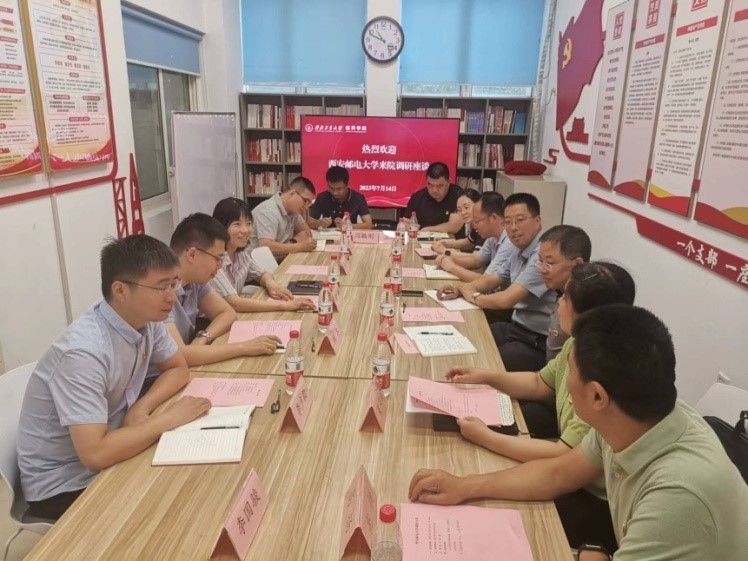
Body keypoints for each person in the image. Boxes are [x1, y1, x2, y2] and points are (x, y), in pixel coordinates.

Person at [409, 304, 748, 561]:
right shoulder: (630, 417)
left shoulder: (678, 496)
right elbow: (558, 473)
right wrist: (466, 486)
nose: (563, 380)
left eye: (570, 369)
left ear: (598, 396)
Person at [445, 261, 635, 552]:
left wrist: (487, 437)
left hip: (595, 499)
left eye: (565, 297)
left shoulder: (604, 380)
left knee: (513, 517)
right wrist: (486, 376)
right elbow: (538, 383)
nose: (558, 302)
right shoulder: (576, 346)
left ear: (587, 316)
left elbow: (561, 458)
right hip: (570, 470)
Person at [17, 235, 211, 520]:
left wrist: (140, 409)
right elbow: (95, 455)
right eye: (161, 287)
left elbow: (178, 369)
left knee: (196, 478)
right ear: (120, 290)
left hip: (111, 441)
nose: (172, 297)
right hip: (65, 483)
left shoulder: (146, 319)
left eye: (174, 284)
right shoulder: (83, 352)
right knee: (176, 502)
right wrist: (168, 419)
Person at [149, 213, 280, 383]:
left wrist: (202, 338)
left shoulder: (195, 280)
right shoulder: (161, 289)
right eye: (218, 258)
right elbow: (179, 354)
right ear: (192, 255)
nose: (220, 266)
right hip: (156, 380)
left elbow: (227, 313)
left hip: (180, 372)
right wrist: (244, 347)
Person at [437, 193, 555, 371]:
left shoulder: (542, 255)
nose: (513, 228)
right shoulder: (519, 247)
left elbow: (507, 299)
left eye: (520, 220)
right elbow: (492, 279)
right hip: (517, 326)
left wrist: (474, 297)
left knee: (483, 360)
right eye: (508, 222)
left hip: (536, 340)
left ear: (538, 221)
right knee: (466, 335)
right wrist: (461, 289)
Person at [211, 197, 315, 312]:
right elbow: (235, 303)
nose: (245, 230)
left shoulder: (240, 253)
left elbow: (261, 274)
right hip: (211, 320)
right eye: (237, 224)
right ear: (221, 227)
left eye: (248, 223)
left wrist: (271, 284)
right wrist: (285, 306)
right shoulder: (214, 259)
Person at [536, 225, 591, 361]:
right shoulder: (559, 291)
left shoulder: (583, 307)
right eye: (540, 261)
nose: (542, 269)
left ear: (577, 264)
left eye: (549, 263)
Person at [433, 192, 512, 283]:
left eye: (477, 222)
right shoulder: (492, 237)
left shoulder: (508, 242)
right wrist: (448, 259)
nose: (475, 226)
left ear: (493, 218)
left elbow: (486, 281)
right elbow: (475, 260)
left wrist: (452, 267)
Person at [249, 176, 317, 258]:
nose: (306, 207)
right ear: (292, 193)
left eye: (309, 203)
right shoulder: (268, 211)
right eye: (305, 201)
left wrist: (294, 242)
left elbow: (307, 233)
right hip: (260, 263)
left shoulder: (293, 211)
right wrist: (299, 245)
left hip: (280, 259)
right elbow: (266, 247)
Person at [307, 165, 373, 230]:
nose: (335, 193)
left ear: (347, 185)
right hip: (327, 235)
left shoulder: (358, 198)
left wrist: (348, 226)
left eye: (339, 189)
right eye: (331, 188)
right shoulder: (322, 197)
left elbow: (369, 224)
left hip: (349, 235)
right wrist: (319, 223)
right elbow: (309, 222)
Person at [403, 162, 463, 233]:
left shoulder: (459, 196)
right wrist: (406, 226)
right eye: (430, 185)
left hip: (452, 239)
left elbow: (454, 226)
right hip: (422, 238)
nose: (434, 190)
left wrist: (428, 230)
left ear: (448, 182)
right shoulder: (417, 198)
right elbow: (406, 222)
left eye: (440, 185)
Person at [432, 188, 483, 254]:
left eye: (466, 207)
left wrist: (445, 251)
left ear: (478, 204)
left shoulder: (484, 227)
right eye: (459, 209)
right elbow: (467, 242)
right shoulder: (476, 226)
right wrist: (444, 243)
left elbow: (476, 258)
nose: (463, 212)